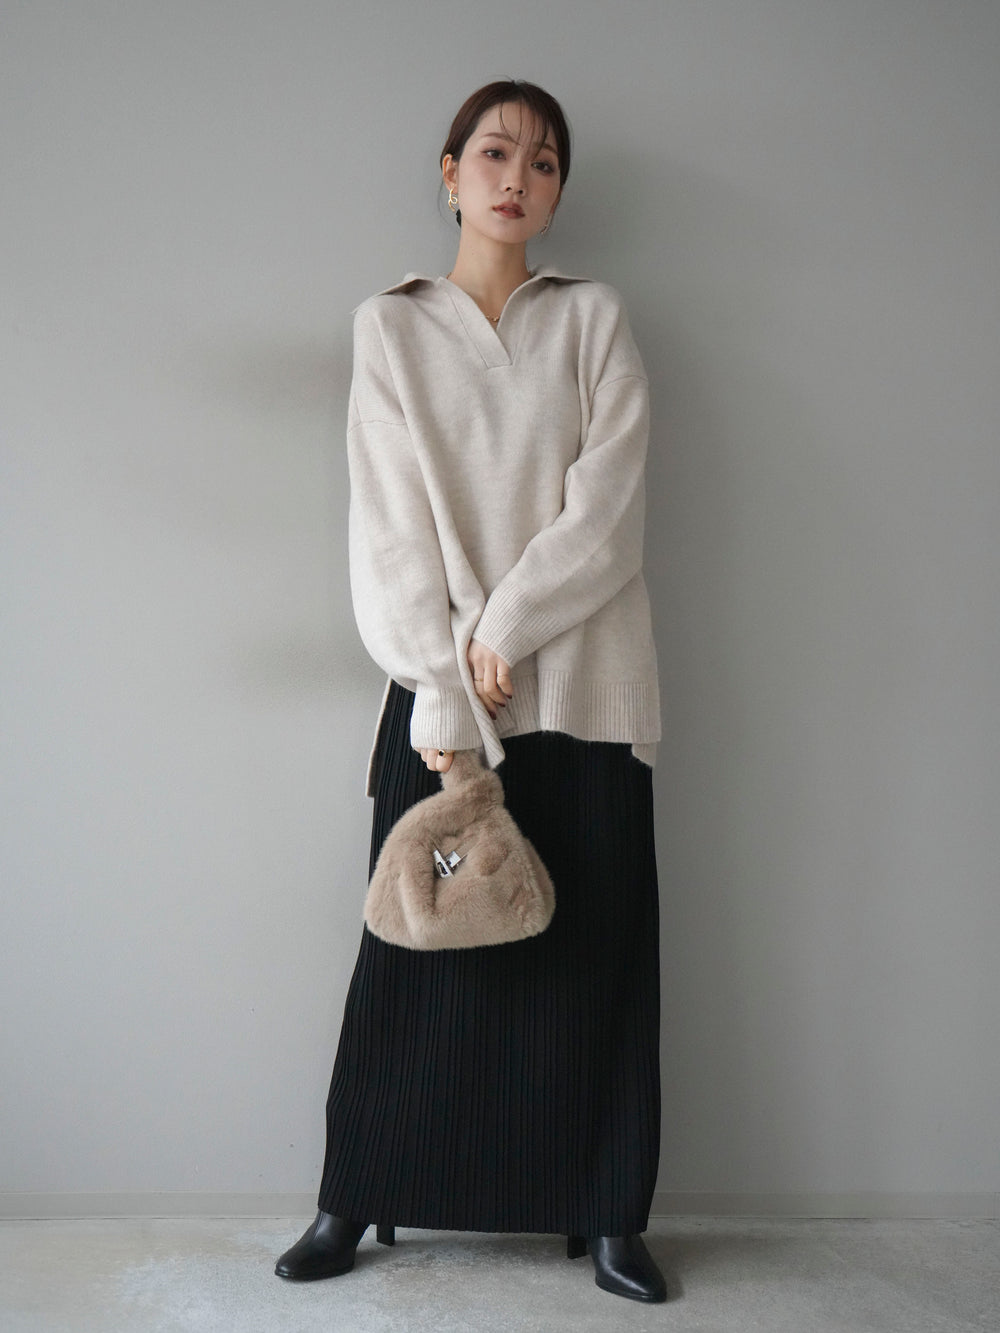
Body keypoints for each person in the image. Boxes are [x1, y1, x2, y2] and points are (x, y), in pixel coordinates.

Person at [275, 79, 666, 1305]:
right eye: (494, 153)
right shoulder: (389, 327)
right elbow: (388, 530)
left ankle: (609, 1214)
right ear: (449, 173)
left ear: (557, 190)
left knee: (597, 956)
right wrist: (449, 684)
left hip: (586, 688)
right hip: (441, 698)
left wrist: (505, 624)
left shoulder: (595, 317)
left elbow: (610, 510)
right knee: (414, 963)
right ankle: (353, 1195)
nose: (517, 177)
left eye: (542, 162)